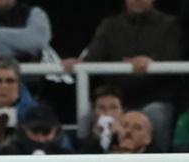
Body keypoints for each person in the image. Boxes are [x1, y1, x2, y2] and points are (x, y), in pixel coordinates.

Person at [74, 0, 182, 150]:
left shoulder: (169, 25)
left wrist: (153, 62)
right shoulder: (110, 25)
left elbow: (175, 57)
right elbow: (92, 58)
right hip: (118, 99)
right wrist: (77, 64)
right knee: (89, 114)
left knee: (156, 115)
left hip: (154, 97)